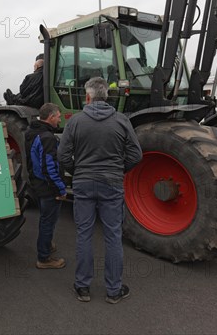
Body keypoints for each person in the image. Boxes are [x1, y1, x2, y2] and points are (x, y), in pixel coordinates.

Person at [58, 77, 142, 303]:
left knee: (84, 233)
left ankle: (82, 287)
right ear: (106, 96)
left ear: (88, 96)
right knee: (113, 235)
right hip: (112, 183)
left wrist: (78, 171)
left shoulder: (75, 121)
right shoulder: (122, 120)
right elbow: (136, 155)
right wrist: (118, 170)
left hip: (83, 183)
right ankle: (114, 291)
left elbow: (62, 155)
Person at [25, 103, 68, 269]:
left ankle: (47, 245)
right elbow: (49, 167)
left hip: (37, 183)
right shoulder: (47, 138)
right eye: (58, 116)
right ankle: (44, 258)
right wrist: (60, 189)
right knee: (48, 222)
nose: (59, 119)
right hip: (48, 188)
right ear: (50, 117)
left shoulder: (31, 132)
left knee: (45, 219)